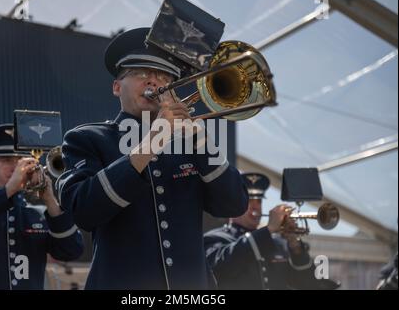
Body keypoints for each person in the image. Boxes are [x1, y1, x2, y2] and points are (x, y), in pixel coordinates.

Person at [56, 27, 248, 290]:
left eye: (163, 75)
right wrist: (154, 139)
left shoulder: (191, 143)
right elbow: (84, 211)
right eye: (140, 73)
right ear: (116, 87)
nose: (153, 82)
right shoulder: (88, 138)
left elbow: (235, 204)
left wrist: (200, 140)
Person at [0, 124, 83, 289]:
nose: (16, 167)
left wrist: (49, 198)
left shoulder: (41, 213)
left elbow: (71, 251)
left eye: (21, 160)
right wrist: (8, 190)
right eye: (6, 160)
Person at [204, 172, 339, 290]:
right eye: (249, 201)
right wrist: (268, 230)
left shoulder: (278, 243)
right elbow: (218, 269)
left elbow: (306, 283)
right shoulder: (215, 238)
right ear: (234, 204)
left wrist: (295, 245)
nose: (255, 208)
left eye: (259, 202)